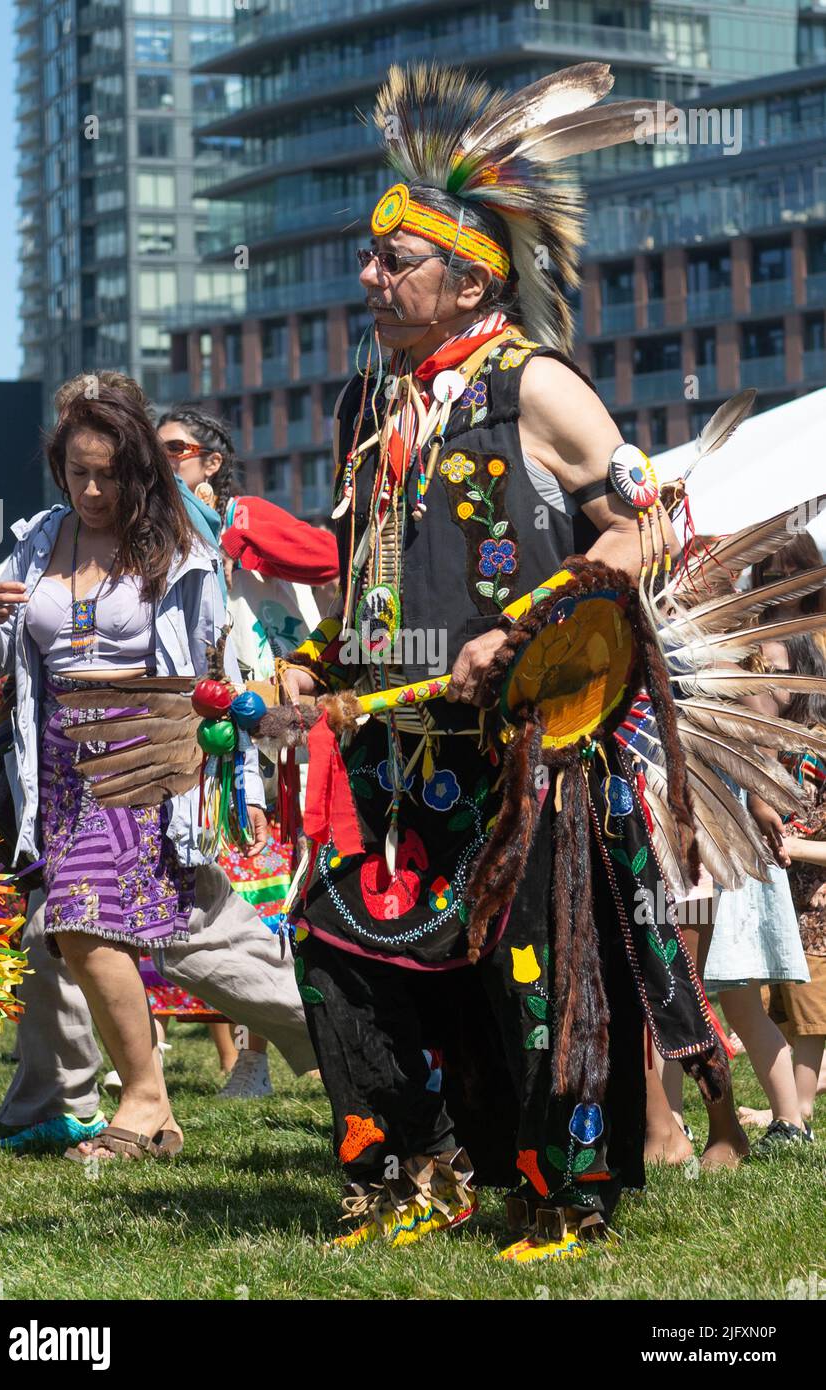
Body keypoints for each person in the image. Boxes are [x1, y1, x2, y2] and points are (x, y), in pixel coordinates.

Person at [272, 61, 734, 1262]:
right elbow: (361, 563)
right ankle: (412, 1170)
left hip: (525, 738)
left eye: (394, 262)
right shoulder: (365, 403)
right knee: (338, 943)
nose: (369, 280)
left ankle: (560, 1191)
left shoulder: (535, 387)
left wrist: (524, 627)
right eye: (370, 260)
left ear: (469, 275)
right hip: (393, 730)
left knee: (533, 971)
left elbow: (644, 524)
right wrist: (315, 665)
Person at [0, 386, 267, 1161]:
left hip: (142, 753)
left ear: (136, 474)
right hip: (55, 766)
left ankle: (146, 1098)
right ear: (58, 471)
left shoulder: (177, 547)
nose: (91, 491)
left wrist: (247, 780)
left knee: (81, 919)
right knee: (74, 931)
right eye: (76, 474)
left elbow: (222, 674)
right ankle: (91, 1100)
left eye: (107, 475)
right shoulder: (37, 542)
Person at [157, 406, 338, 1096]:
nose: (166, 460)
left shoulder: (244, 516)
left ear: (211, 461)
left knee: (296, 889)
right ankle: (252, 1057)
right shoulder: (159, 540)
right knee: (245, 892)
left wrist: (227, 530)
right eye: (158, 451)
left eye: (179, 448)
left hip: (296, 730)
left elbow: (326, 556)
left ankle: (313, 1037)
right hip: (221, 740)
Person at [737, 633, 826, 1145]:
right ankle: (788, 1103)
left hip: (813, 897)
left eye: (768, 667)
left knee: (809, 998)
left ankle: (802, 1107)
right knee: (781, 1002)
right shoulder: (771, 742)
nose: (756, 677)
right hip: (782, 888)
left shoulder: (815, 744)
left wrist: (798, 852)